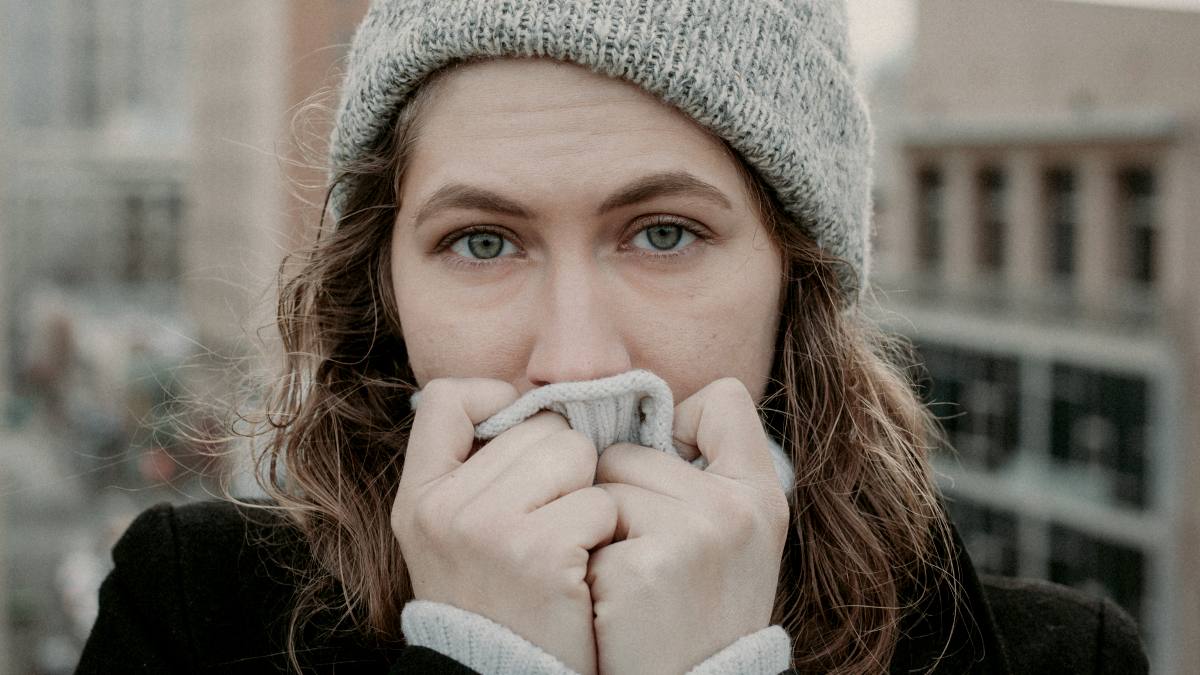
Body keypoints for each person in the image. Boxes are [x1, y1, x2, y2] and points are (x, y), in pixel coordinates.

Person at [77, 1, 1149, 673]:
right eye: (484, 242)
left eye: (664, 233)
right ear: (384, 286)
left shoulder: (1048, 659)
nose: (577, 361)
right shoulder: (191, 615)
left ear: (798, 278)